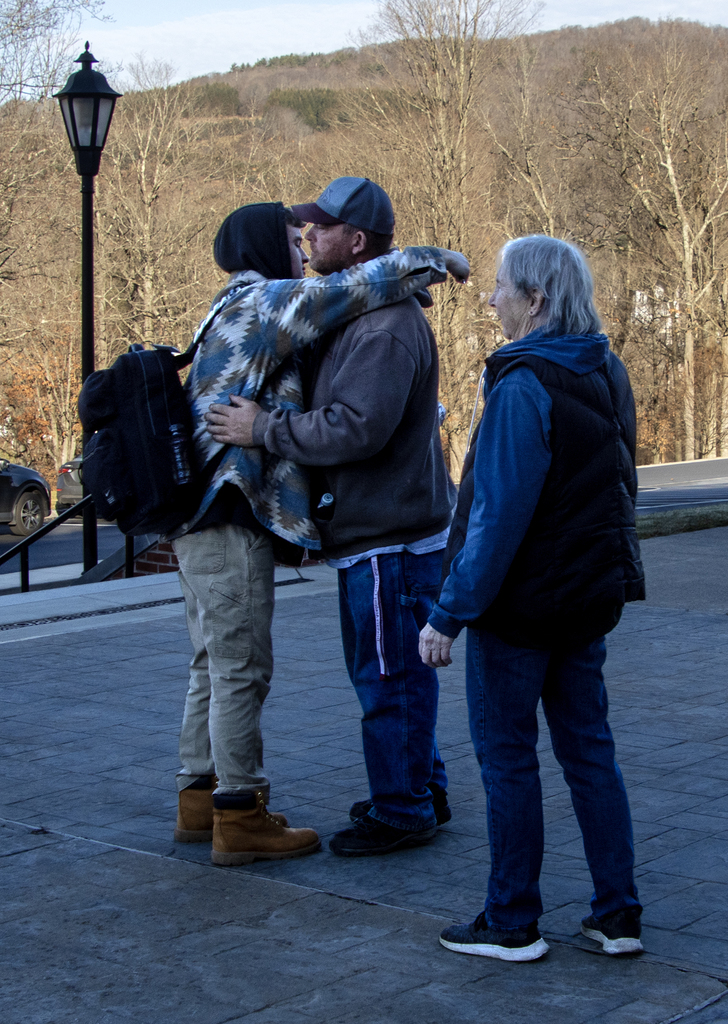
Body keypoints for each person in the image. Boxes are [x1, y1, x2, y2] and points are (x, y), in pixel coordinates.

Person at [172, 199, 468, 868]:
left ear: (355, 235)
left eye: (314, 230)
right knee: (242, 668)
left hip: (201, 521)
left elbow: (360, 412)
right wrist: (437, 261)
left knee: (217, 665)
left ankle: (203, 798)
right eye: (291, 234)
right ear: (261, 247)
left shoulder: (226, 306)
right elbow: (355, 286)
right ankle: (238, 816)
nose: (303, 244)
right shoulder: (267, 301)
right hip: (227, 517)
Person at [420, 235, 645, 961]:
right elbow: (620, 488)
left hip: (517, 612)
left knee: (509, 759)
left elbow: (495, 516)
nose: (490, 299)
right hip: (585, 601)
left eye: (500, 288)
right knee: (591, 754)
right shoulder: (607, 370)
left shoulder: (522, 386)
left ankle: (511, 920)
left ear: (536, 300)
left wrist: (449, 612)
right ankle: (618, 916)